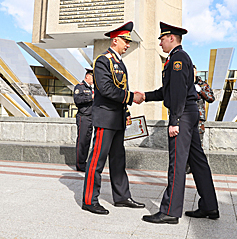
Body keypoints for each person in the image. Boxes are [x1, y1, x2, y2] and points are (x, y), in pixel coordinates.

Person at [141, 23, 219, 224]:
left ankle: (170, 211)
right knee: (198, 161)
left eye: (162, 39)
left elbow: (176, 94)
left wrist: (174, 120)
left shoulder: (177, 59)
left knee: (177, 163)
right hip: (190, 112)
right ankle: (210, 206)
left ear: (172, 38)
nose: (160, 42)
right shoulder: (178, 58)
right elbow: (167, 91)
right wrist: (145, 96)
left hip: (182, 114)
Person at [82, 21, 145, 214]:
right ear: (115, 40)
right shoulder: (103, 60)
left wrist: (126, 112)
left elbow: (121, 88)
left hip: (117, 119)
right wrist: (131, 97)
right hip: (105, 119)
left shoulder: (119, 62)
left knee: (118, 160)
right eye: (125, 41)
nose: (127, 44)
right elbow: (107, 89)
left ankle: (122, 197)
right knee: (97, 160)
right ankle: (89, 200)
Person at [74, 69, 94, 172]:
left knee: (87, 142)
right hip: (83, 117)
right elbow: (78, 100)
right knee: (82, 141)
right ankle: (80, 164)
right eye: (92, 76)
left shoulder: (92, 88)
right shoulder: (80, 87)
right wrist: (91, 97)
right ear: (87, 76)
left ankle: (84, 163)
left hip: (91, 117)